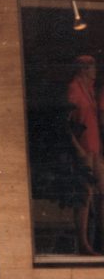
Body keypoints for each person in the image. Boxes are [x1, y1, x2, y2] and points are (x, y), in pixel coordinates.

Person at [68, 54, 103, 255]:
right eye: (92, 68)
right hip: (84, 147)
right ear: (84, 69)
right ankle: (83, 243)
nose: (95, 71)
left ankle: (99, 239)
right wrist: (77, 147)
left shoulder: (89, 90)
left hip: (94, 147)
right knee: (85, 194)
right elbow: (67, 122)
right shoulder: (74, 89)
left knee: (101, 191)